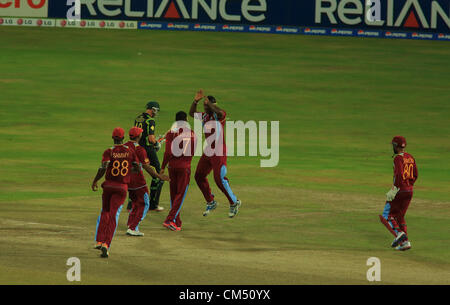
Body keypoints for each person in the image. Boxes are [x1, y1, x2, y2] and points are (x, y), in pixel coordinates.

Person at [189, 90, 242, 218]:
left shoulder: (219, 115)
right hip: (209, 150)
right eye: (204, 106)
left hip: (219, 150)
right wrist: (196, 101)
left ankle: (234, 202)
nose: (205, 108)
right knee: (199, 176)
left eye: (207, 106)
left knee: (219, 179)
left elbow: (219, 111)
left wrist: (210, 104)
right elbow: (191, 113)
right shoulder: (205, 116)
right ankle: (210, 201)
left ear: (213, 105)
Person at [91, 127, 139, 258]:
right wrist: (129, 171)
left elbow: (103, 167)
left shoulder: (109, 151)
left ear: (113, 138)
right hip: (121, 187)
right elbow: (137, 167)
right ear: (123, 138)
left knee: (104, 212)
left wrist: (95, 180)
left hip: (108, 186)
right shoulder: (130, 151)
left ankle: (99, 241)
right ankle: (106, 244)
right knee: (113, 215)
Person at [125, 127, 170, 237]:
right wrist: (159, 176)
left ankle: (130, 223)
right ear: (139, 136)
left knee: (135, 203)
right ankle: (133, 227)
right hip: (138, 181)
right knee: (145, 203)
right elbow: (147, 166)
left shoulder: (124, 146)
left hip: (127, 180)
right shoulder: (140, 149)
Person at [379, 136, 418, 251]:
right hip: (410, 190)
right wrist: (409, 185)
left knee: (386, 216)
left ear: (396, 146)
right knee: (400, 216)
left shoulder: (397, 159)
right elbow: (415, 174)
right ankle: (405, 243)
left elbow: (399, 175)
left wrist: (395, 189)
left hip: (400, 190)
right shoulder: (410, 157)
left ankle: (399, 235)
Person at [160, 111, 197, 231]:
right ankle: (170, 220)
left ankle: (177, 221)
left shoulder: (171, 133)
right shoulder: (192, 134)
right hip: (184, 167)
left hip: (172, 167)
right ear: (186, 120)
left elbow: (168, 153)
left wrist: (162, 167)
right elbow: (193, 151)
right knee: (180, 195)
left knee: (174, 194)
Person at [132, 101, 165, 212]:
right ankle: (153, 204)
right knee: (158, 175)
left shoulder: (138, 118)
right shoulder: (150, 120)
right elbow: (151, 139)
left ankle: (130, 203)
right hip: (147, 150)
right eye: (156, 110)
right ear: (153, 109)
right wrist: (156, 144)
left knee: (136, 174)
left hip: (136, 148)